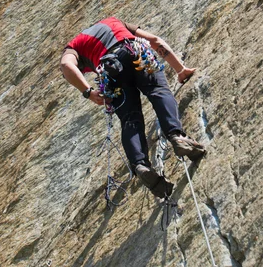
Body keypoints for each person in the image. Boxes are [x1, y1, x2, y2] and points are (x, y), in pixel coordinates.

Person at [60, 16, 205, 198]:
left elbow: (66, 65)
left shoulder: (73, 46)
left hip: (110, 70)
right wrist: (180, 69)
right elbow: (154, 41)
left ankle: (140, 164)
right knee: (159, 91)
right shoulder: (114, 22)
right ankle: (177, 137)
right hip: (135, 51)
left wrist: (88, 92)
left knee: (129, 118)